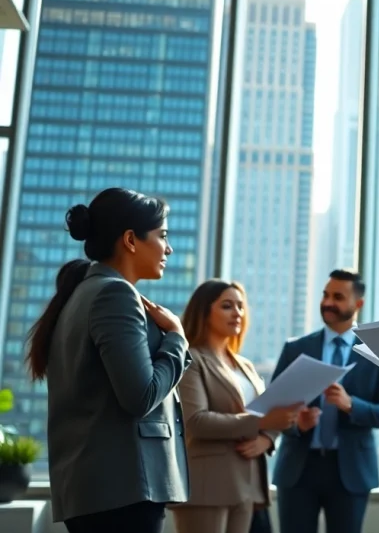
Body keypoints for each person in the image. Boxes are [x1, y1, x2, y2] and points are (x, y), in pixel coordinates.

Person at [26, 188, 190, 532]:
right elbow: (141, 396)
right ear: (131, 239)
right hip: (125, 490)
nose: (169, 248)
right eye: (162, 236)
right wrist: (176, 340)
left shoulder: (82, 292)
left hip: (97, 491)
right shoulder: (115, 294)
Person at [271, 269, 379, 533]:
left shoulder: (377, 354)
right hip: (299, 469)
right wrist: (297, 424)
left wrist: (351, 405)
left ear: (358, 304)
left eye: (338, 297)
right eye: (326, 294)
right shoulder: (296, 349)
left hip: (351, 472)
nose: (328, 302)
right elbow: (273, 409)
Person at [171, 280, 302, 533]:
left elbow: (268, 413)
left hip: (246, 484)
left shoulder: (245, 366)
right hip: (206, 485)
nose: (237, 313)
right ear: (204, 312)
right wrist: (262, 423)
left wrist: (267, 438)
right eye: (227, 306)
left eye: (241, 307)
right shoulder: (191, 359)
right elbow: (196, 422)